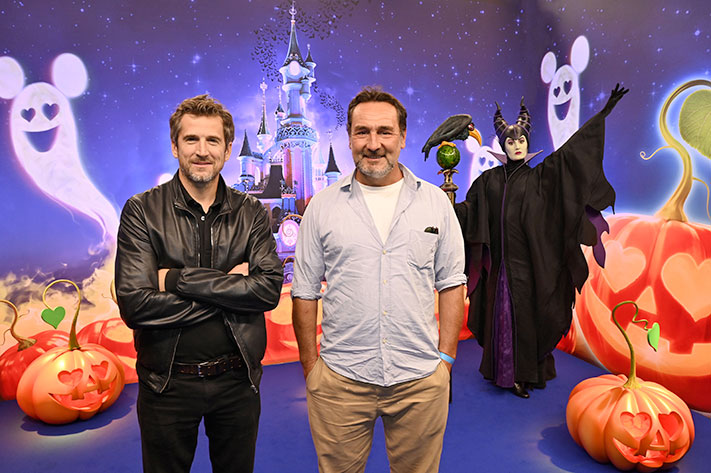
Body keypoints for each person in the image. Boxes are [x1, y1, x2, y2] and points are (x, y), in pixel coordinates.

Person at [291, 86, 466, 473]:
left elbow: (452, 283)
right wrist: (311, 368)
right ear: (349, 138)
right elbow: (304, 291)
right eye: (362, 132)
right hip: (340, 381)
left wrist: (446, 361)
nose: (373, 144)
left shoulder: (436, 203)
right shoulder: (322, 207)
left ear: (402, 137)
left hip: (420, 380)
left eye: (385, 131)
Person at [115, 94, 283, 473]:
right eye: (191, 139)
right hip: (167, 384)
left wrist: (174, 279)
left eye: (212, 141)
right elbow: (136, 306)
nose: (202, 151)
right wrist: (232, 288)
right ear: (175, 146)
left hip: (237, 381)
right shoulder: (142, 211)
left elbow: (268, 290)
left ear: (227, 150)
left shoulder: (251, 212)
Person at [455, 84, 628, 398]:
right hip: (498, 267)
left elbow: (573, 154)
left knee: (526, 317)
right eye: (511, 141)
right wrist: (449, 207)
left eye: (521, 140)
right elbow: (471, 211)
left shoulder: (540, 178)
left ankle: (522, 375)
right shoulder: (488, 181)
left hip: (529, 265)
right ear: (503, 145)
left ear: (527, 143)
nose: (517, 145)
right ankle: (499, 371)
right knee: (500, 316)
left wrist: (604, 113)